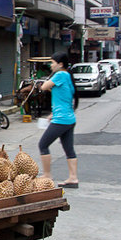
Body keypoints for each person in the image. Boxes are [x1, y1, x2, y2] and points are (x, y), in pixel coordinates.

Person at [39, 51, 79, 188]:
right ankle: (73, 178)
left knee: (43, 145)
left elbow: (43, 87)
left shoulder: (60, 74)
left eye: (52, 63)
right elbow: (63, 98)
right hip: (69, 118)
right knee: (69, 149)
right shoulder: (68, 76)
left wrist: (47, 81)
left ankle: (47, 174)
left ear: (60, 64)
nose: (50, 65)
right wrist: (52, 114)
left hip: (61, 120)